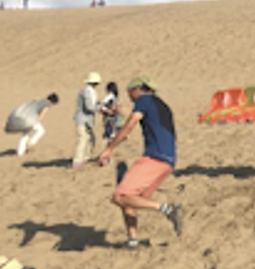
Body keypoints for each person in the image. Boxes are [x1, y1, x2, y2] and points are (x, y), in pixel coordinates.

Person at [97, 75, 182, 249]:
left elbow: (130, 124)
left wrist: (110, 148)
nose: (129, 96)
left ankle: (168, 209)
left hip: (155, 157)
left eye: (130, 92)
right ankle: (133, 240)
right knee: (130, 199)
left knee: (120, 196)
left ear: (138, 89)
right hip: (168, 161)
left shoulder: (144, 100)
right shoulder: (162, 104)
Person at [72, 72, 101, 169]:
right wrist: (100, 108)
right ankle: (77, 161)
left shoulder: (91, 91)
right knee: (83, 139)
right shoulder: (86, 91)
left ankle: (85, 158)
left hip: (87, 121)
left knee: (90, 139)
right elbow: (89, 107)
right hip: (82, 120)